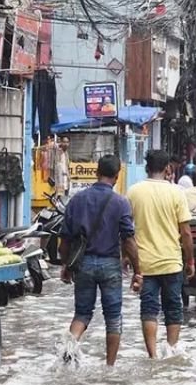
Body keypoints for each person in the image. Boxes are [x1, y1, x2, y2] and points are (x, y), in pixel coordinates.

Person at [60, 154, 140, 366]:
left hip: (83, 264)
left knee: (82, 314)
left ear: (96, 172)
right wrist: (138, 270)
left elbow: (65, 238)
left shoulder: (77, 200)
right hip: (110, 265)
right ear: (117, 176)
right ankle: (110, 366)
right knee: (113, 317)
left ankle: (70, 349)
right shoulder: (120, 203)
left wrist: (66, 266)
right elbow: (129, 240)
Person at [127, 150, 195, 358]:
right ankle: (171, 350)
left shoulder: (133, 192)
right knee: (173, 308)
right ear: (168, 169)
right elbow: (185, 232)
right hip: (171, 262)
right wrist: (190, 260)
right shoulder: (176, 193)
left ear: (147, 168)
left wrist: (126, 259)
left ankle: (153, 356)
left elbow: (126, 231)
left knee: (149, 309)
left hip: (144, 264)